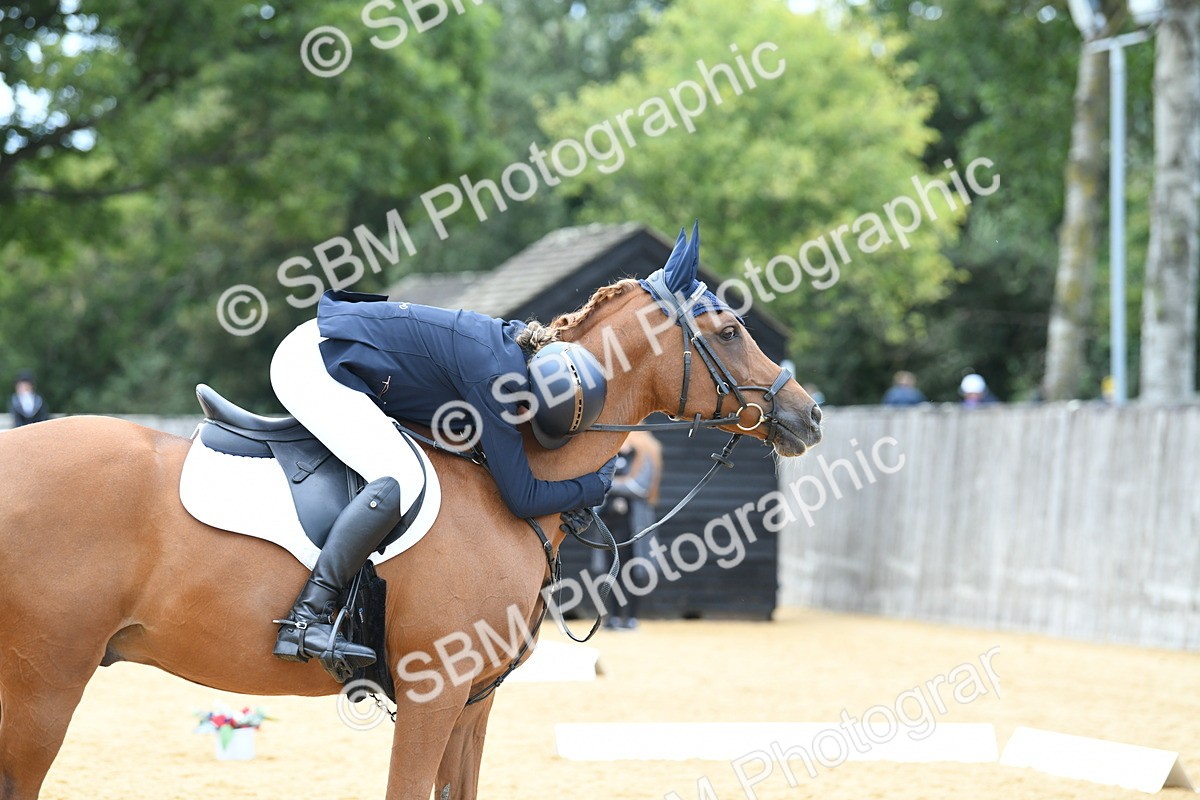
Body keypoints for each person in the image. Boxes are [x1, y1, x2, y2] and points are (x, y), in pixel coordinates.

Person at [268, 289, 619, 681]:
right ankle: (306, 617)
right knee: (400, 477)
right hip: (314, 364)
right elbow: (523, 498)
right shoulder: (496, 380)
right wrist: (593, 487)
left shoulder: (522, 348)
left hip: (334, 343)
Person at [592, 430, 662, 630]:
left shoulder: (644, 453)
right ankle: (613, 617)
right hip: (610, 525)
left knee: (635, 570)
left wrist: (611, 485)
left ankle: (631, 617)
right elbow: (599, 486)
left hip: (633, 525)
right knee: (611, 571)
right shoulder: (609, 456)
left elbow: (641, 486)